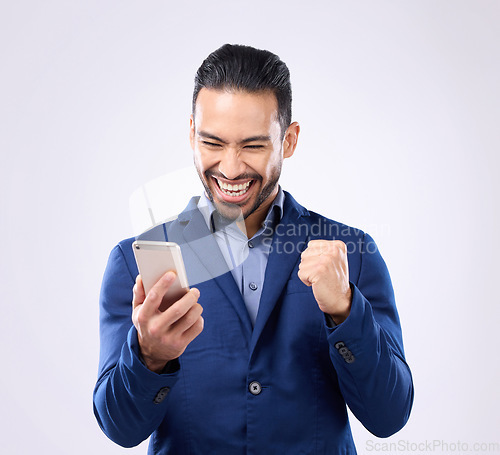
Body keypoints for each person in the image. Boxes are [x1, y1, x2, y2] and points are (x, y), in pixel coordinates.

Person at [93, 44, 414, 454]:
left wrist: (346, 311)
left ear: (290, 140)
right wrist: (149, 356)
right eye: (213, 142)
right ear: (191, 133)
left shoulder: (352, 254)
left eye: (253, 146)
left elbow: (389, 417)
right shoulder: (135, 262)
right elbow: (120, 429)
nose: (230, 168)